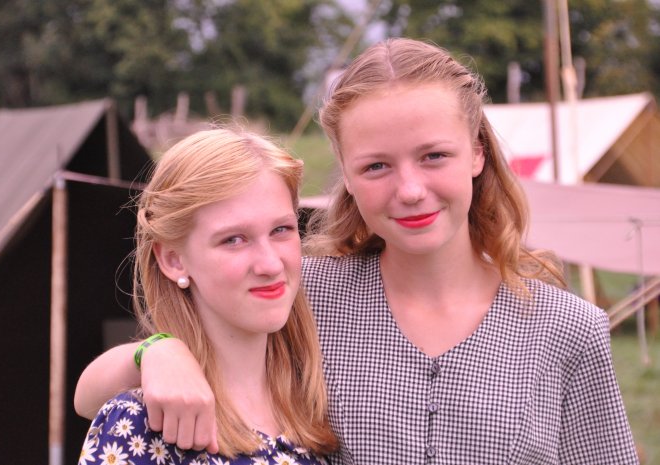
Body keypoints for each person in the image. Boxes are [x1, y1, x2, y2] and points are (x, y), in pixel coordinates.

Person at [75, 39, 639, 464]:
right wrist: (156, 350)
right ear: (345, 175)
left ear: (477, 154)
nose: (410, 189)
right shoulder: (304, 294)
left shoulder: (568, 329)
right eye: (376, 166)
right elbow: (96, 397)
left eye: (434, 156)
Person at [76, 128, 337, 465]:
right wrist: (152, 349)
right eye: (234, 239)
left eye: (281, 230)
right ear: (174, 260)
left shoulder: (320, 403)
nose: (271, 264)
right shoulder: (143, 423)